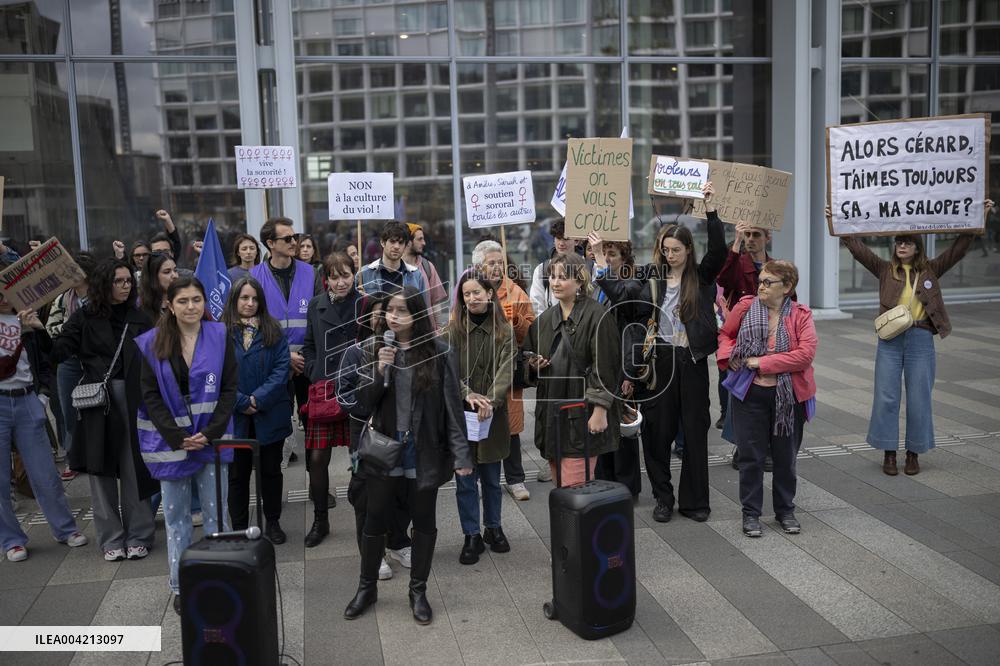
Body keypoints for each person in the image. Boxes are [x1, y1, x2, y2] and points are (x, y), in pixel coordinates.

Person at [338, 287, 471, 625]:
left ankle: (418, 591)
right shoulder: (376, 350)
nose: (393, 317)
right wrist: (381, 370)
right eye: (390, 311)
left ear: (417, 316)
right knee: (374, 518)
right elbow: (364, 404)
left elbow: (453, 409)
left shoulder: (441, 353)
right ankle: (366, 588)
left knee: (424, 522)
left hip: (423, 451)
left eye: (401, 311)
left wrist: (461, 454)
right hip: (384, 450)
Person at [841, 199, 994, 476]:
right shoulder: (884, 269)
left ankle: (913, 453)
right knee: (886, 396)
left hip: (921, 338)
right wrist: (840, 221)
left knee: (919, 397)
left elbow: (958, 250)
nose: (902, 246)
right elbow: (858, 249)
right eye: (899, 242)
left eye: (908, 243)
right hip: (890, 340)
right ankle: (889, 452)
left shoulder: (931, 270)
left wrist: (978, 218)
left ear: (917, 247)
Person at [135, 277, 238, 614]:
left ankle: (220, 578)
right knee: (177, 519)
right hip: (171, 444)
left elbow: (228, 389)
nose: (191, 307)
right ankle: (182, 586)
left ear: (205, 302)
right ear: (169, 304)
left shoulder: (220, 336)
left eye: (197, 300)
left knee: (216, 515)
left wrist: (209, 432)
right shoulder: (152, 342)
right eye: (183, 301)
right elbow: (149, 395)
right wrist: (176, 436)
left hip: (210, 439)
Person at [633, 181, 727, 523]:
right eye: (665, 249)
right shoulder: (651, 276)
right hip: (660, 361)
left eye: (676, 249)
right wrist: (598, 261)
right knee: (656, 433)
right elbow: (624, 292)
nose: (670, 254)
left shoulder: (701, 278)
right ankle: (662, 496)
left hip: (691, 361)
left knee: (695, 431)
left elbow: (720, 251)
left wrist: (711, 209)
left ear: (688, 249)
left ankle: (695, 502)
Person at [53, 259, 157, 561]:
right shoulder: (84, 317)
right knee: (101, 472)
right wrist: (36, 330)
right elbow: (61, 352)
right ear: (103, 283)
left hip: (135, 397)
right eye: (119, 281)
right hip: (98, 400)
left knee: (133, 468)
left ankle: (139, 534)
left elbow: (156, 358)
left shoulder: (140, 316)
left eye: (128, 281)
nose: (125, 286)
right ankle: (111, 538)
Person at [718, 261, 816, 537]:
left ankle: (785, 511)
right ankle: (750, 514)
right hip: (749, 394)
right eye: (760, 280)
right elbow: (726, 334)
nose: (761, 286)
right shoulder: (746, 307)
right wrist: (730, 357)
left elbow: (805, 355)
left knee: (786, 458)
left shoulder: (801, 315)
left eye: (768, 282)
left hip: (789, 396)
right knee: (751, 457)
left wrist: (761, 362)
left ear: (787, 287)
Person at [0, 257, 89, 562]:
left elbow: (49, 361)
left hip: (27, 400)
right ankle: (11, 539)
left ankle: (65, 528)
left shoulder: (29, 320)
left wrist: (43, 395)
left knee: (44, 472)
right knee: (1, 478)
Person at [523, 253, 621, 486]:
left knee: (577, 488)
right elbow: (526, 359)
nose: (555, 283)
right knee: (561, 490)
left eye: (563, 277)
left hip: (582, 412)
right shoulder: (544, 320)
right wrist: (533, 366)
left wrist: (600, 409)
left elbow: (606, 366)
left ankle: (579, 524)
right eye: (552, 277)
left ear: (579, 281)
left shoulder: (598, 315)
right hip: (551, 414)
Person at [446, 272, 514, 564]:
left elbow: (507, 368)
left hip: (492, 416)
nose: (472, 299)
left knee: (491, 477)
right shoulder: (452, 331)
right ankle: (471, 533)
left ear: (489, 293)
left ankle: (493, 527)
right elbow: (446, 369)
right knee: (465, 479)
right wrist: (467, 394)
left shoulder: (504, 330)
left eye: (477, 292)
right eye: (466, 294)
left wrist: (490, 400)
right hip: (463, 417)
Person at [222, 277, 292, 544]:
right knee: (237, 476)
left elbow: (280, 370)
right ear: (234, 300)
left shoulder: (273, 330)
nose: (250, 303)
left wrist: (257, 400)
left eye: (254, 298)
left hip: (269, 412)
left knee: (271, 472)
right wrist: (241, 402)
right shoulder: (221, 331)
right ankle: (239, 526)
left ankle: (272, 521)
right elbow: (216, 373)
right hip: (235, 415)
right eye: (244, 298)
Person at [301, 252, 362, 547]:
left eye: (346, 276)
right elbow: (309, 344)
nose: (340, 283)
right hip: (324, 389)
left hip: (356, 389)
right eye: (334, 277)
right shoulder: (315, 305)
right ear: (326, 278)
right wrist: (314, 372)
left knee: (360, 457)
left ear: (355, 274)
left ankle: (365, 513)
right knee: (317, 458)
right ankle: (320, 519)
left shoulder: (365, 304)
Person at [251, 218, 321, 465]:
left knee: (314, 426)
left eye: (295, 237)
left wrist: (307, 356)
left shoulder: (310, 272)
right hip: (273, 363)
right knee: (275, 428)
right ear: (270, 243)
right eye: (288, 238)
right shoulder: (254, 277)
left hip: (307, 363)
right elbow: (253, 323)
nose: (295, 242)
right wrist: (284, 357)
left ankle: (317, 486)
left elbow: (318, 318)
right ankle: (274, 485)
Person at [472, 240, 537, 500]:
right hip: (478, 370)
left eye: (501, 262)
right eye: (492, 263)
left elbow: (532, 333)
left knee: (511, 426)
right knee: (480, 425)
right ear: (479, 267)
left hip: (508, 371)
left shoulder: (516, 293)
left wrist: (518, 320)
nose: (498, 267)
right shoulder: (471, 290)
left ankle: (515, 479)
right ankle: (480, 479)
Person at [588, 233, 643, 498]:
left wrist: (629, 373)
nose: (607, 259)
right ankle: (604, 482)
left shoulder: (633, 282)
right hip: (599, 366)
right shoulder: (595, 283)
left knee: (623, 429)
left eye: (612, 255)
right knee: (600, 427)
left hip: (620, 365)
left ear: (624, 259)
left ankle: (627, 488)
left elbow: (622, 300)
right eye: (603, 253)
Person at [46, 252, 97, 481]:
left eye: (74, 270)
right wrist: (71, 329)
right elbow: (50, 327)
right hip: (69, 359)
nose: (70, 275)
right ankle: (73, 457)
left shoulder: (99, 298)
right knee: (68, 410)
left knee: (96, 406)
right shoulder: (62, 298)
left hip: (95, 359)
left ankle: (96, 453)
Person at [356, 222, 428, 300]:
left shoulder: (416, 275)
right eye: (392, 241)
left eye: (401, 243)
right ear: (382, 242)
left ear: (405, 245)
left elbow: (422, 310)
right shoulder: (363, 274)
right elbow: (355, 309)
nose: (396, 246)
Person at [528, 219, 578, 316]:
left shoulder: (590, 268)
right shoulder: (541, 270)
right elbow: (536, 307)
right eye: (558, 238)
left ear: (576, 240)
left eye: (566, 238)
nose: (561, 243)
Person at [404, 224, 447, 325]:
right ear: (408, 242)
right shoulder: (394, 268)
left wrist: (438, 330)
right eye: (419, 239)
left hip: (427, 334)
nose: (424, 243)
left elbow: (436, 302)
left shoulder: (427, 266)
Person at [139, 252, 179, 324]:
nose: (174, 276)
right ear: (153, 277)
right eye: (167, 272)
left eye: (175, 270)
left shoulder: (185, 303)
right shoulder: (140, 309)